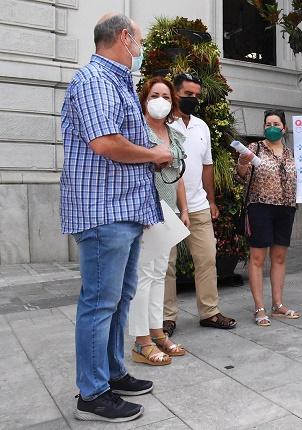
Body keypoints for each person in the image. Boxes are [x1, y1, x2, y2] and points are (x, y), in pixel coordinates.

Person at [60, 13, 172, 422]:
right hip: (103, 211)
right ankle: (91, 394)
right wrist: (154, 154)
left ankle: (110, 371)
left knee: (119, 298)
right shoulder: (93, 81)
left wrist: (152, 159)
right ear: (124, 38)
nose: (140, 48)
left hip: (123, 210)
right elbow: (105, 143)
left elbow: (122, 141)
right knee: (99, 302)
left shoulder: (116, 83)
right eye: (138, 40)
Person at [163, 73, 237, 335]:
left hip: (198, 205)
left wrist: (212, 200)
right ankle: (166, 317)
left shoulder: (201, 126)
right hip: (166, 206)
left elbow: (207, 166)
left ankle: (209, 312)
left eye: (196, 96)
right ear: (175, 94)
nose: (193, 100)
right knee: (167, 264)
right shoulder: (161, 124)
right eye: (187, 95)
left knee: (207, 259)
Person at [128, 77, 189, 366]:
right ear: (145, 98)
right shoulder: (135, 129)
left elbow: (177, 176)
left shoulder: (174, 133)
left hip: (167, 211)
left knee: (158, 274)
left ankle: (156, 332)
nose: (160, 100)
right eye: (155, 94)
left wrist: (183, 209)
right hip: (142, 209)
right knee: (142, 277)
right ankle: (141, 342)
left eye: (166, 96)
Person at [235, 109, 301, 327]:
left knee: (280, 257)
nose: (271, 127)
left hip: (286, 208)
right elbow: (241, 174)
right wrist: (243, 163)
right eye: (267, 124)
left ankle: (278, 305)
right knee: (257, 258)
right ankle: (259, 308)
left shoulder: (291, 154)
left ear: (284, 127)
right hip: (260, 208)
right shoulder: (254, 149)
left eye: (275, 123)